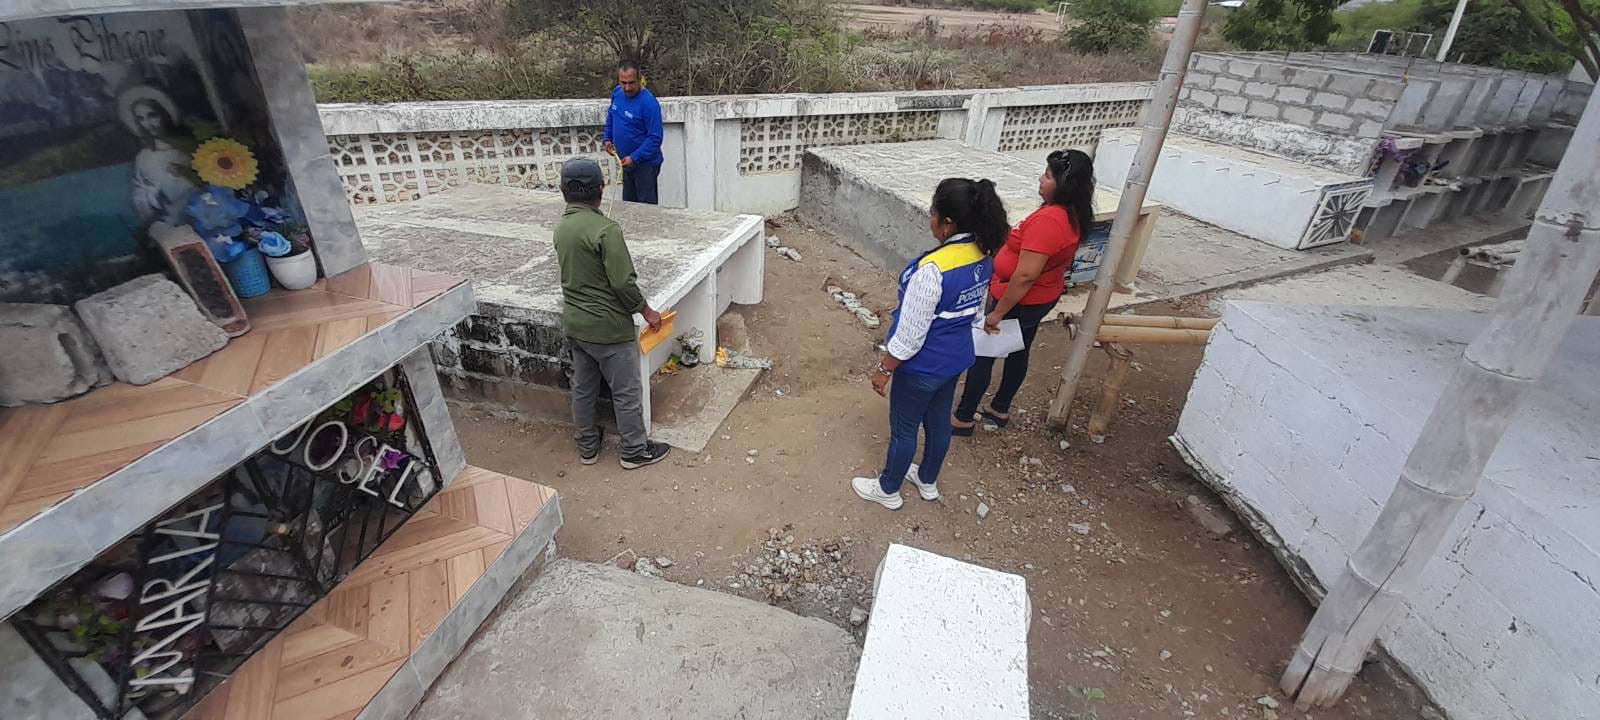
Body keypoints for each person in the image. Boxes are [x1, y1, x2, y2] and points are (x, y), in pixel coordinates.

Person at [851, 178, 1009, 510]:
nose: (930, 219)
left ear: (948, 222)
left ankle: (888, 489)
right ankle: (927, 480)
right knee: (938, 421)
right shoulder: (983, 255)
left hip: (922, 366)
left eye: (933, 213)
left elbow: (911, 335)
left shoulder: (933, 269)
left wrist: (885, 369)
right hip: (956, 358)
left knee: (904, 429)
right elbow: (974, 311)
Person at [953, 149, 1095, 436]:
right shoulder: (1071, 213)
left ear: (1065, 184)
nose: (1041, 179)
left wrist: (997, 313)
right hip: (1040, 296)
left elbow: (1026, 274)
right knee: (1019, 349)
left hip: (1019, 300)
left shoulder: (1050, 221)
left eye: (1048, 176)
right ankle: (1000, 408)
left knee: (984, 355)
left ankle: (964, 417)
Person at [552, 157, 672, 469]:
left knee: (583, 390)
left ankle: (588, 447)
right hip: (608, 329)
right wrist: (647, 312)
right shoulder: (606, 230)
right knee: (626, 392)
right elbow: (622, 282)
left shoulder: (562, 228)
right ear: (600, 190)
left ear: (564, 191)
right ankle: (634, 451)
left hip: (576, 325)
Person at [120, 86, 197, 226]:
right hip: (173, 220)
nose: (148, 124)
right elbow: (140, 190)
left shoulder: (188, 145)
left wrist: (185, 172)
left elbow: (208, 176)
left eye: (152, 115)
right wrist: (152, 198)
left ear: (163, 114)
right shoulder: (143, 158)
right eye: (141, 119)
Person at [602, 59, 665, 205]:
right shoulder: (617, 93)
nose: (627, 87)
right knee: (628, 205)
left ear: (640, 79)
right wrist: (607, 138)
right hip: (625, 162)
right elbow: (612, 116)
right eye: (623, 83)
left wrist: (635, 157)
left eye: (631, 83)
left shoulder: (649, 103)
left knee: (645, 208)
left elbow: (655, 138)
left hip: (645, 165)